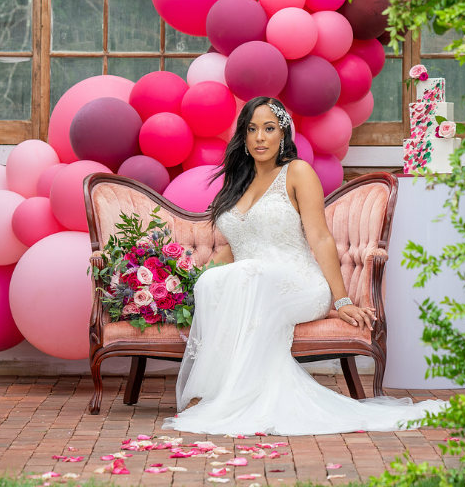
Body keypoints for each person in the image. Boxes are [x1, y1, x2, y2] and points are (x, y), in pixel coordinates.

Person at [164, 95, 446, 436]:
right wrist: (184, 280)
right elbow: (232, 250)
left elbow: (322, 238)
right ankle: (218, 392)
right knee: (214, 282)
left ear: (283, 133)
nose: (260, 138)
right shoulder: (237, 182)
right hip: (254, 281)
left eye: (269, 128)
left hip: (300, 284)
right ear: (243, 135)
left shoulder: (296, 172)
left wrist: (341, 300)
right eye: (252, 129)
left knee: (250, 276)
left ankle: (229, 396)